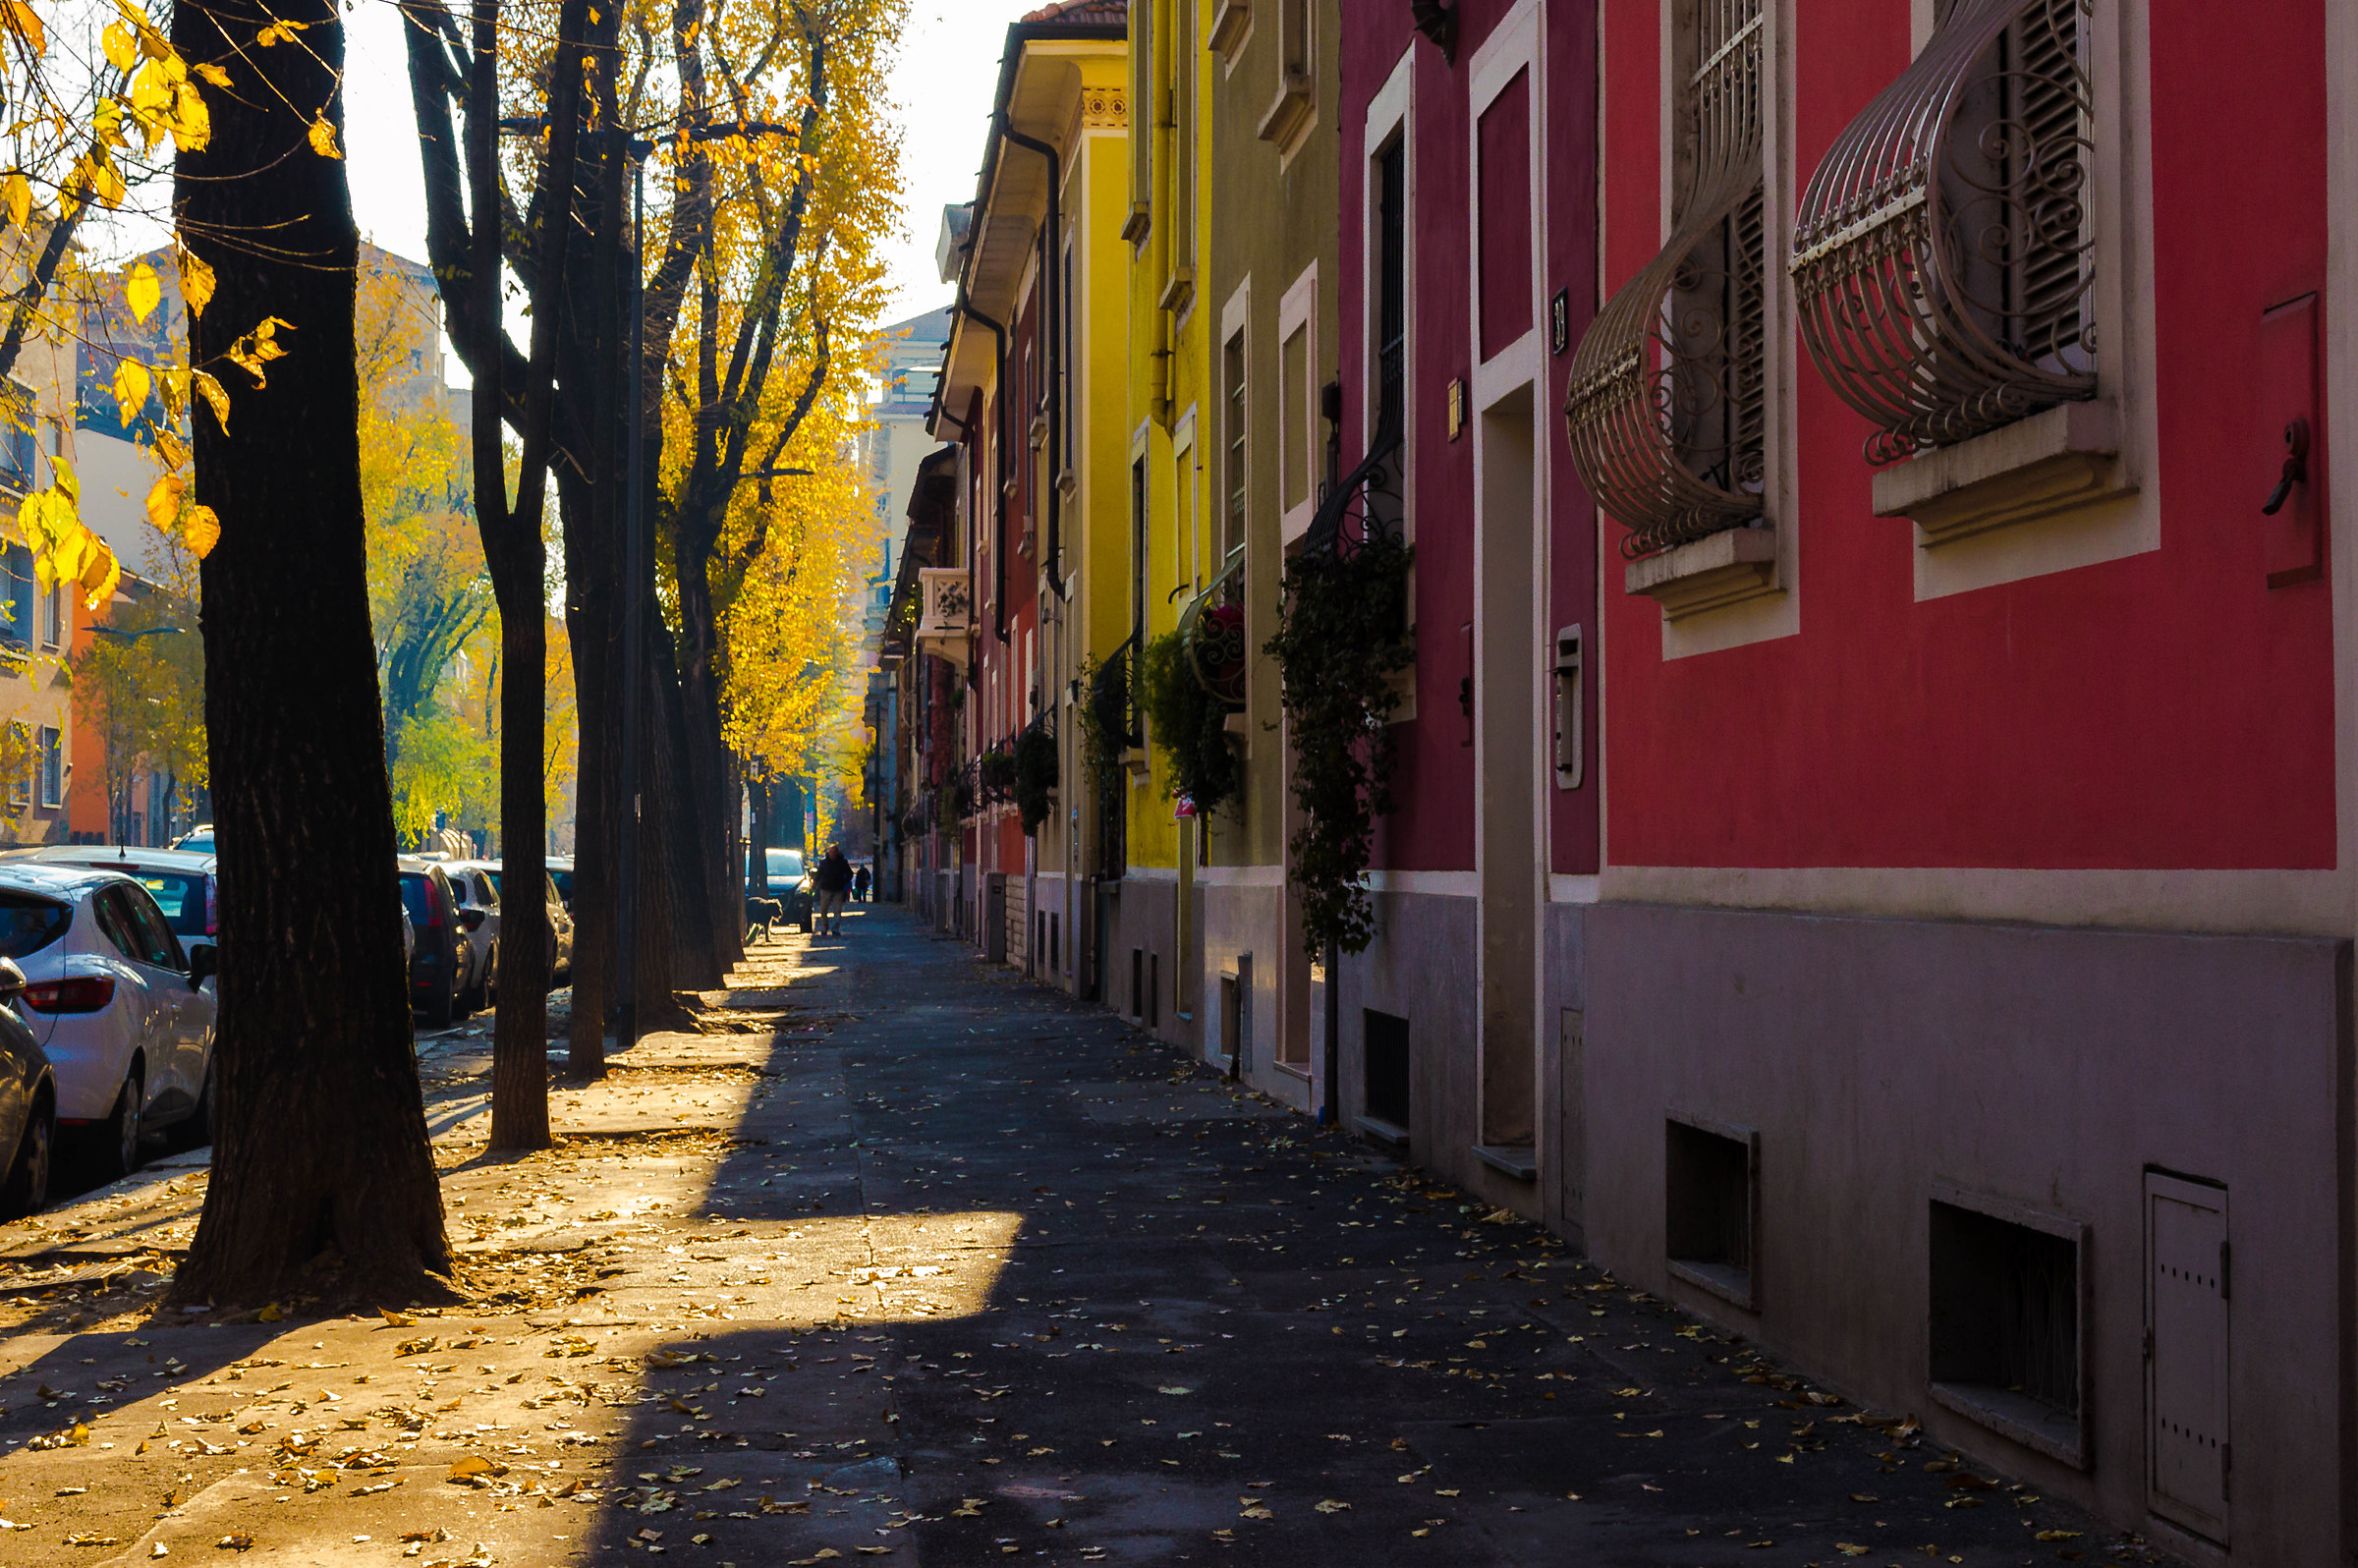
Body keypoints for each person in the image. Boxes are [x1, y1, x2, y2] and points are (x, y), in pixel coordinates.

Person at [814, 844, 853, 935]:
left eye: (834, 852)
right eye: (830, 852)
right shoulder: (823, 863)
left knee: (837, 910)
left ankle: (835, 928)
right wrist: (815, 883)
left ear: (837, 852)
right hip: (825, 889)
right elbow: (819, 874)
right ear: (828, 852)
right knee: (823, 909)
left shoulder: (842, 862)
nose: (832, 854)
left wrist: (843, 882)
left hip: (838, 889)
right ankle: (825, 926)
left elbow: (850, 874)